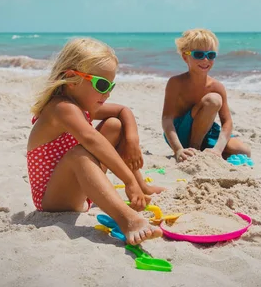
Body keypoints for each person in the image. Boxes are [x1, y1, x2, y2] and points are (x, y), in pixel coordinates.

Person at [27, 37, 163, 245]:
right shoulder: (61, 108)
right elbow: (91, 140)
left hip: (81, 191)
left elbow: (123, 111)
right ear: (72, 79)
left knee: (115, 126)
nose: (107, 93)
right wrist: (128, 181)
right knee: (78, 155)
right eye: (101, 84)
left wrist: (132, 140)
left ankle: (142, 187)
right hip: (53, 201)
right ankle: (128, 220)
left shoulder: (80, 104)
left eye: (111, 86)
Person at [161, 28, 251, 163]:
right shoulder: (176, 83)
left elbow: (227, 122)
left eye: (211, 55)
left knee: (244, 151)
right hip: (180, 134)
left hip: (206, 131)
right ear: (185, 57)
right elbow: (167, 119)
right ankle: (194, 148)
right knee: (213, 100)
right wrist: (178, 149)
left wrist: (218, 149)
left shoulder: (217, 86)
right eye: (198, 54)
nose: (205, 59)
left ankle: (208, 152)